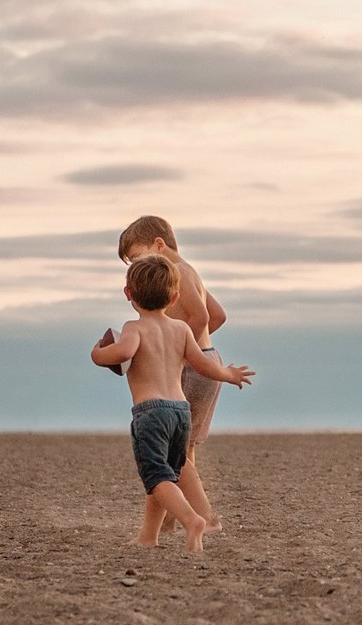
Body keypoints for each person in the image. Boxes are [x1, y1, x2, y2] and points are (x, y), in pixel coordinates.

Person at [90, 255, 254, 553]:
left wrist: (98, 354)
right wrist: (228, 374)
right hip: (181, 412)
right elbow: (203, 364)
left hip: (151, 413)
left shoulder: (133, 328)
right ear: (175, 296)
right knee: (169, 470)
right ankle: (149, 535)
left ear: (128, 294)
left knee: (156, 477)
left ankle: (193, 520)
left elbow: (123, 352)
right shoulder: (181, 330)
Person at [115, 215, 231, 531]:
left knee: (175, 450)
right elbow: (217, 316)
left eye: (138, 258)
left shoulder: (177, 272)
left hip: (195, 368)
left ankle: (198, 518)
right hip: (205, 361)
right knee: (182, 447)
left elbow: (202, 315)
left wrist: (178, 352)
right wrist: (197, 347)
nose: (134, 268)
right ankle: (174, 518)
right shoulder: (189, 271)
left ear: (159, 245)